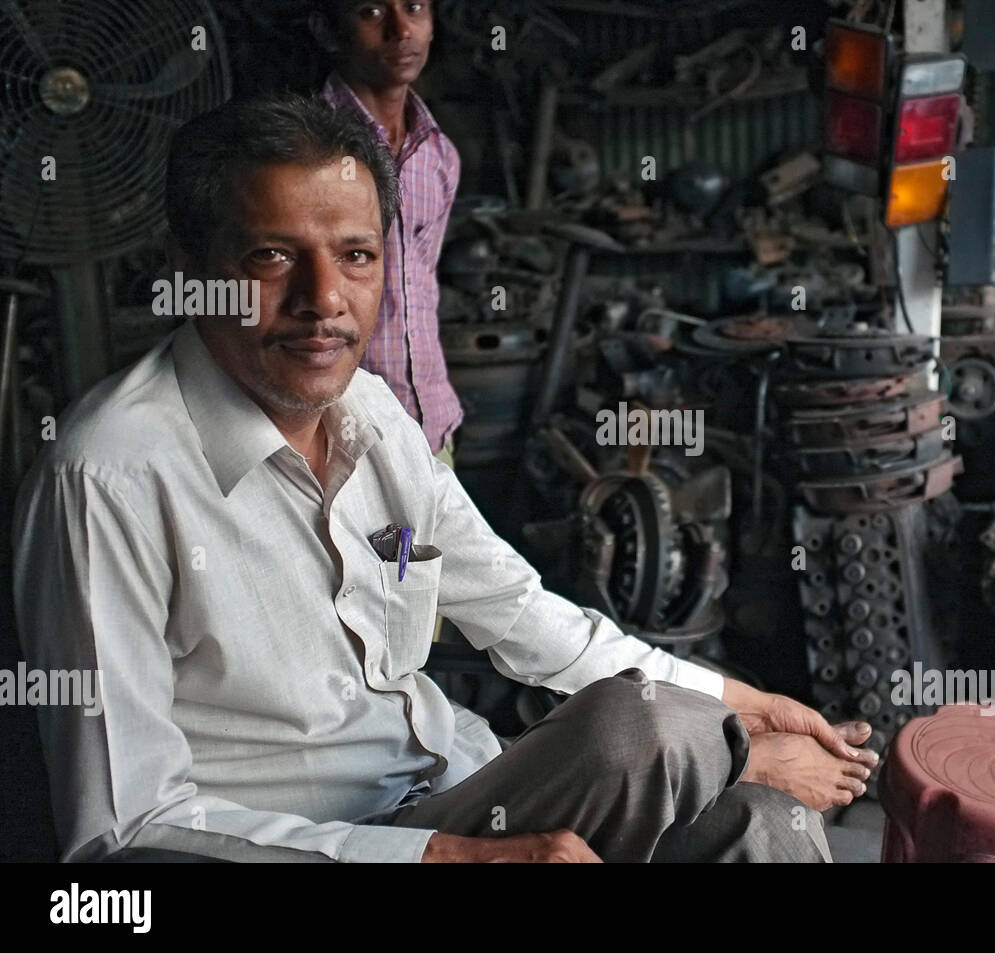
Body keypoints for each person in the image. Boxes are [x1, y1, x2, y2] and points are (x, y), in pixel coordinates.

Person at [11, 96, 876, 863]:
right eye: (273, 256)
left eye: (355, 255)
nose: (324, 299)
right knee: (645, 729)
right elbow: (121, 828)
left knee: (762, 825)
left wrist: (748, 701)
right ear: (190, 265)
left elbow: (527, 616)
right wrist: (438, 856)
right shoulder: (108, 477)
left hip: (457, 781)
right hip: (324, 844)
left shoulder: (375, 416)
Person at [311, 0, 461, 465]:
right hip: (338, 434)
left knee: (438, 541)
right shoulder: (303, 148)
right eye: (372, 12)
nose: (401, 30)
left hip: (432, 428)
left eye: (414, 7)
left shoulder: (438, 155)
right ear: (328, 30)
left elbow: (420, 292)